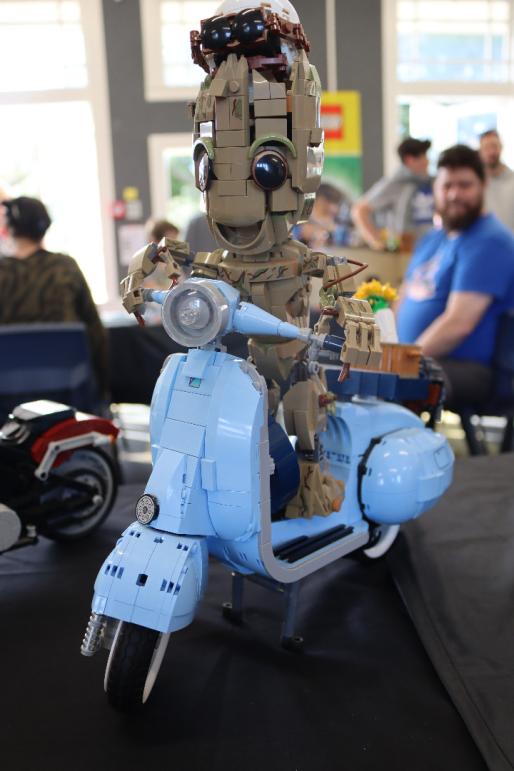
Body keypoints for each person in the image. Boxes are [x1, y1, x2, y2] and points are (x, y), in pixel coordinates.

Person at [396, 144, 514, 409]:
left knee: (392, 385)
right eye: (447, 185)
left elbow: (459, 324)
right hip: (418, 358)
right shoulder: (432, 239)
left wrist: (403, 361)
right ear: (436, 188)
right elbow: (402, 298)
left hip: (466, 368)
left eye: (465, 185)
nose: (454, 194)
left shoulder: (490, 241)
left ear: (483, 185)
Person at [0, 196, 109, 397]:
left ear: (9, 228)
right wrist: (103, 393)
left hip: (7, 396)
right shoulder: (65, 267)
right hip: (68, 392)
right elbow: (95, 331)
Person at [352, 137, 434, 252]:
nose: (427, 162)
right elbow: (359, 210)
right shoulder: (395, 183)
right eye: (423, 157)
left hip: (428, 250)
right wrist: (376, 242)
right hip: (403, 253)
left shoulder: (427, 183)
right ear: (410, 159)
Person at [292, 183, 349, 249]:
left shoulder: (339, 225)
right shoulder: (298, 223)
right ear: (321, 201)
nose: (336, 209)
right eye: (335, 203)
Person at [478, 129, 514, 233]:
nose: (491, 152)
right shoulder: (476, 184)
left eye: (494, 146)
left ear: (501, 148)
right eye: (486, 147)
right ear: (480, 151)